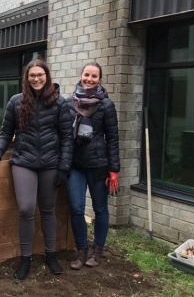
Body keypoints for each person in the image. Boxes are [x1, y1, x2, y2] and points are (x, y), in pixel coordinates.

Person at [0, 58, 73, 281]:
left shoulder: (60, 104)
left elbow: (67, 138)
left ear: (47, 76)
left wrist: (64, 166)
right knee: (26, 209)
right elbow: (6, 133)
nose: (36, 78)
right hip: (23, 162)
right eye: (32, 75)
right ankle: (25, 259)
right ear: (26, 78)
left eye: (40, 75)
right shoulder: (16, 102)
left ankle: (51, 254)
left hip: (50, 164)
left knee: (47, 210)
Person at [66, 62, 120, 270]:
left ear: (99, 79)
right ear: (80, 76)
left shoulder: (106, 105)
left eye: (94, 76)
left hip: (99, 165)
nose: (89, 79)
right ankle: (81, 250)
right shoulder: (69, 103)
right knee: (77, 208)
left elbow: (113, 138)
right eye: (87, 74)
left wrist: (114, 170)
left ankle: (97, 250)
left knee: (100, 209)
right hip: (76, 165)